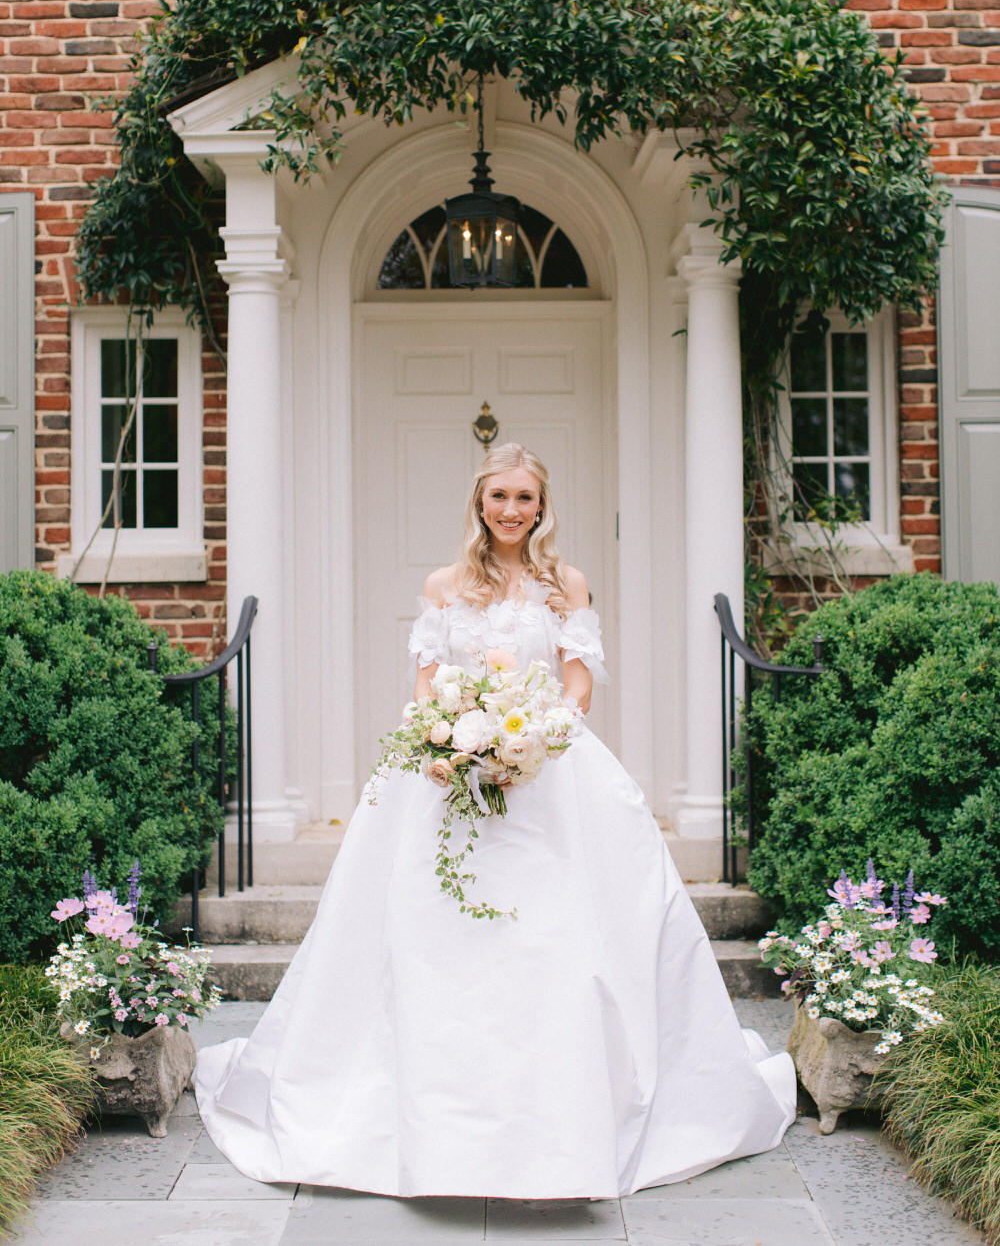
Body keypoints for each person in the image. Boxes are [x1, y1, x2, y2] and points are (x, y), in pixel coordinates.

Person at [195, 442, 796, 1197]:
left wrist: (526, 735)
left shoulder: (564, 583)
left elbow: (578, 685)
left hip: (546, 766)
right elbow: (423, 685)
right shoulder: (444, 585)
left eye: (525, 498)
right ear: (479, 503)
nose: (512, 510)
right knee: (426, 929)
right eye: (499, 496)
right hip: (448, 767)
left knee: (561, 930)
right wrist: (452, 734)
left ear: (542, 507)